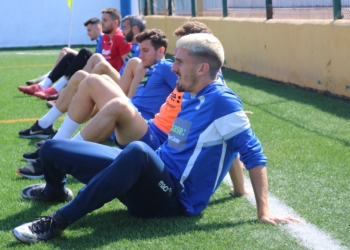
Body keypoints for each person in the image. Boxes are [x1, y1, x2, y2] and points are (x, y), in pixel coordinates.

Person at [13, 33, 301, 244]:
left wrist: (263, 210)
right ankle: (55, 191)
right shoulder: (189, 95)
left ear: (202, 68)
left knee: (137, 151)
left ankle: (56, 222)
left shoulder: (223, 102)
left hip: (171, 197)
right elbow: (174, 143)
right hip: (148, 178)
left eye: (179, 61)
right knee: (52, 148)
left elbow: (253, 154)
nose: (172, 67)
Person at [17, 28, 176, 178]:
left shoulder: (166, 67)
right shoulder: (149, 68)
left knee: (93, 80)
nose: (140, 55)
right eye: (140, 50)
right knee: (89, 78)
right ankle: (56, 142)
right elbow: (137, 97)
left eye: (145, 51)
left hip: (142, 127)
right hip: (133, 119)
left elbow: (187, 101)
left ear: (161, 51)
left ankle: (57, 153)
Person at [18, 8, 132, 99]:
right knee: (69, 55)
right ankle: (44, 86)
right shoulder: (105, 38)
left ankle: (58, 90)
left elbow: (127, 68)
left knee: (84, 52)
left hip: (111, 79)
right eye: (102, 20)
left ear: (115, 23)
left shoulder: (120, 38)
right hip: (100, 73)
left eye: (105, 20)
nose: (102, 23)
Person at [25, 17, 103, 86]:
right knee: (65, 51)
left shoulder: (103, 38)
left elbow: (98, 59)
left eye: (89, 30)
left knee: (80, 52)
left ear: (98, 28)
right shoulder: (99, 40)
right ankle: (48, 78)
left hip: (93, 68)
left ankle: (47, 79)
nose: (87, 33)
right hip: (92, 64)